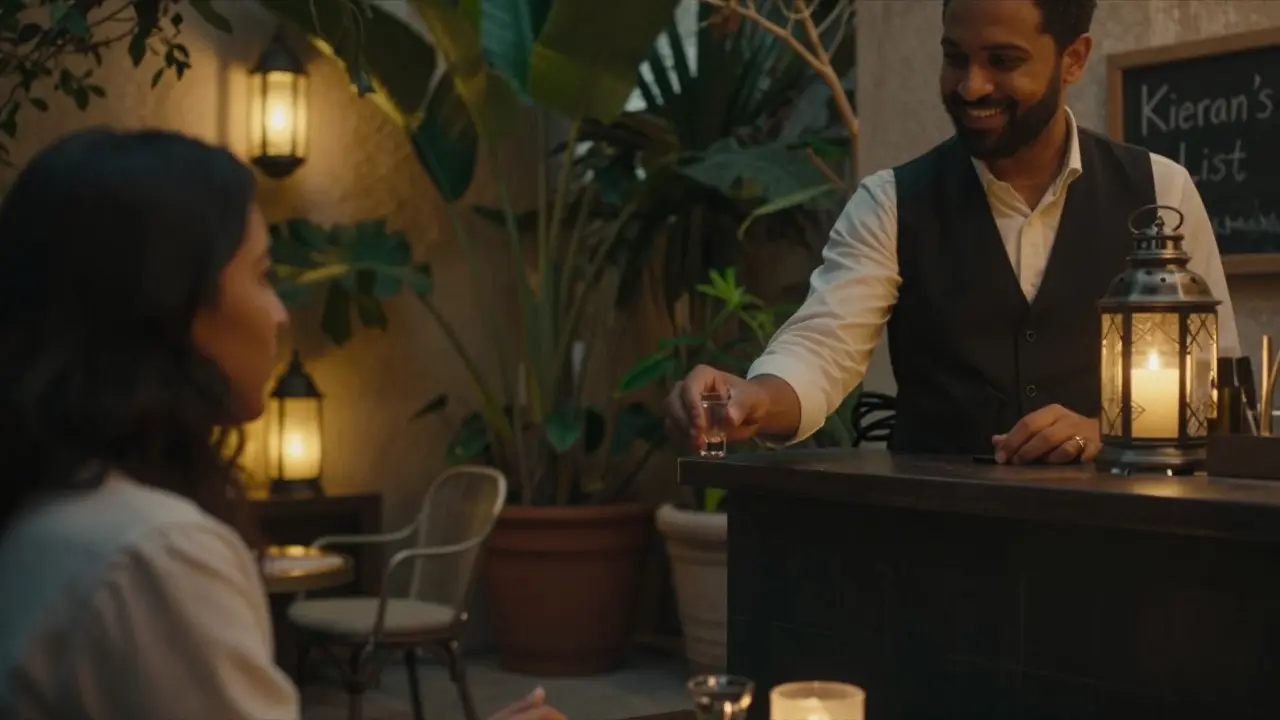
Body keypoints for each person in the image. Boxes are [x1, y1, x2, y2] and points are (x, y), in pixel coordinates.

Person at [0, 128, 564, 720]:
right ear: (172, 302)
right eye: (263, 275)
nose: (278, 314)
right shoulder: (152, 558)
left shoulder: (48, 514)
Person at [666, 0, 1240, 465]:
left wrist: (1109, 432)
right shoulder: (891, 200)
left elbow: (1216, 388)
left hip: (1121, 546)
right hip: (936, 550)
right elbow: (823, 348)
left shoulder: (1162, 191)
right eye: (954, 57)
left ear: (1073, 58)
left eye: (1003, 60)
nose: (970, 86)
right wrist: (753, 399)